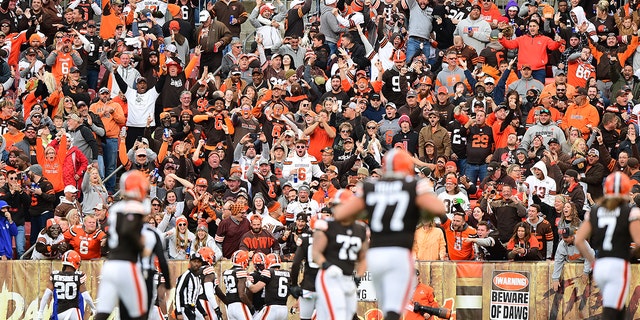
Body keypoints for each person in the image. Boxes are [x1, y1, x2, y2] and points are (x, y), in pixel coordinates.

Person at [332, 149, 446, 320]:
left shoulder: (370, 186)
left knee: (386, 309)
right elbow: (439, 209)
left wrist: (366, 208)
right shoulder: (413, 185)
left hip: (376, 255)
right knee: (394, 312)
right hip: (399, 253)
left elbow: (340, 214)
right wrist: (422, 191)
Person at [575, 172, 640, 319]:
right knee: (612, 313)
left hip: (601, 265)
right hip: (617, 265)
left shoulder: (595, 211)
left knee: (618, 309)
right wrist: (631, 255)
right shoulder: (631, 211)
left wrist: (593, 262)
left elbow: (578, 239)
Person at [94, 171, 150, 320]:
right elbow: (127, 229)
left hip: (110, 264)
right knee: (140, 313)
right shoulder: (134, 206)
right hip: (126, 265)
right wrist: (141, 246)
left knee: (102, 313)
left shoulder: (115, 209)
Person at [312, 189, 369, 320]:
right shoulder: (327, 225)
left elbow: (364, 257)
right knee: (337, 314)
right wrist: (327, 266)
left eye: (340, 206)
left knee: (347, 315)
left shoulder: (361, 229)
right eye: (335, 206)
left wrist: (358, 277)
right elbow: (315, 252)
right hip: (329, 277)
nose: (336, 209)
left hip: (348, 278)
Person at [36, 250, 97, 320]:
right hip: (73, 310)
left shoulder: (55, 275)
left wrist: (40, 312)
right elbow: (86, 296)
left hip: (59, 311)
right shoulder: (78, 276)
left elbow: (46, 295)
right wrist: (93, 308)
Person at [248, 253, 291, 319]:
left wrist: (247, 282)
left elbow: (254, 289)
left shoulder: (268, 272)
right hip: (284, 309)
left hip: (272, 308)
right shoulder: (287, 273)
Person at [552, 226, 594, 292]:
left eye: (566, 237)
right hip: (570, 267)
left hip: (583, 266)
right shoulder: (562, 244)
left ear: (572, 236)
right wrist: (555, 278)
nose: (564, 239)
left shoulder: (581, 241)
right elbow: (558, 261)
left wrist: (586, 272)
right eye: (563, 237)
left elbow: (590, 254)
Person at [222, 249, 254, 319]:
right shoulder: (240, 271)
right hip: (239, 305)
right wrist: (250, 306)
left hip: (230, 306)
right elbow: (241, 294)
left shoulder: (226, 272)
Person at [175, 252, 207, 319]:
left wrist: (204, 313)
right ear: (190, 262)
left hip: (192, 310)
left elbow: (195, 298)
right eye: (194, 261)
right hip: (184, 309)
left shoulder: (198, 278)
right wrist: (179, 312)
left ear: (201, 264)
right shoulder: (186, 275)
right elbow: (178, 292)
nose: (196, 264)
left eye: (198, 262)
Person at [196, 247, 225, 320]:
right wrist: (217, 308)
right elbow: (209, 293)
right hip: (203, 302)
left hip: (193, 303)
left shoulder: (194, 271)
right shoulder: (208, 270)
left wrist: (227, 301)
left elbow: (216, 289)